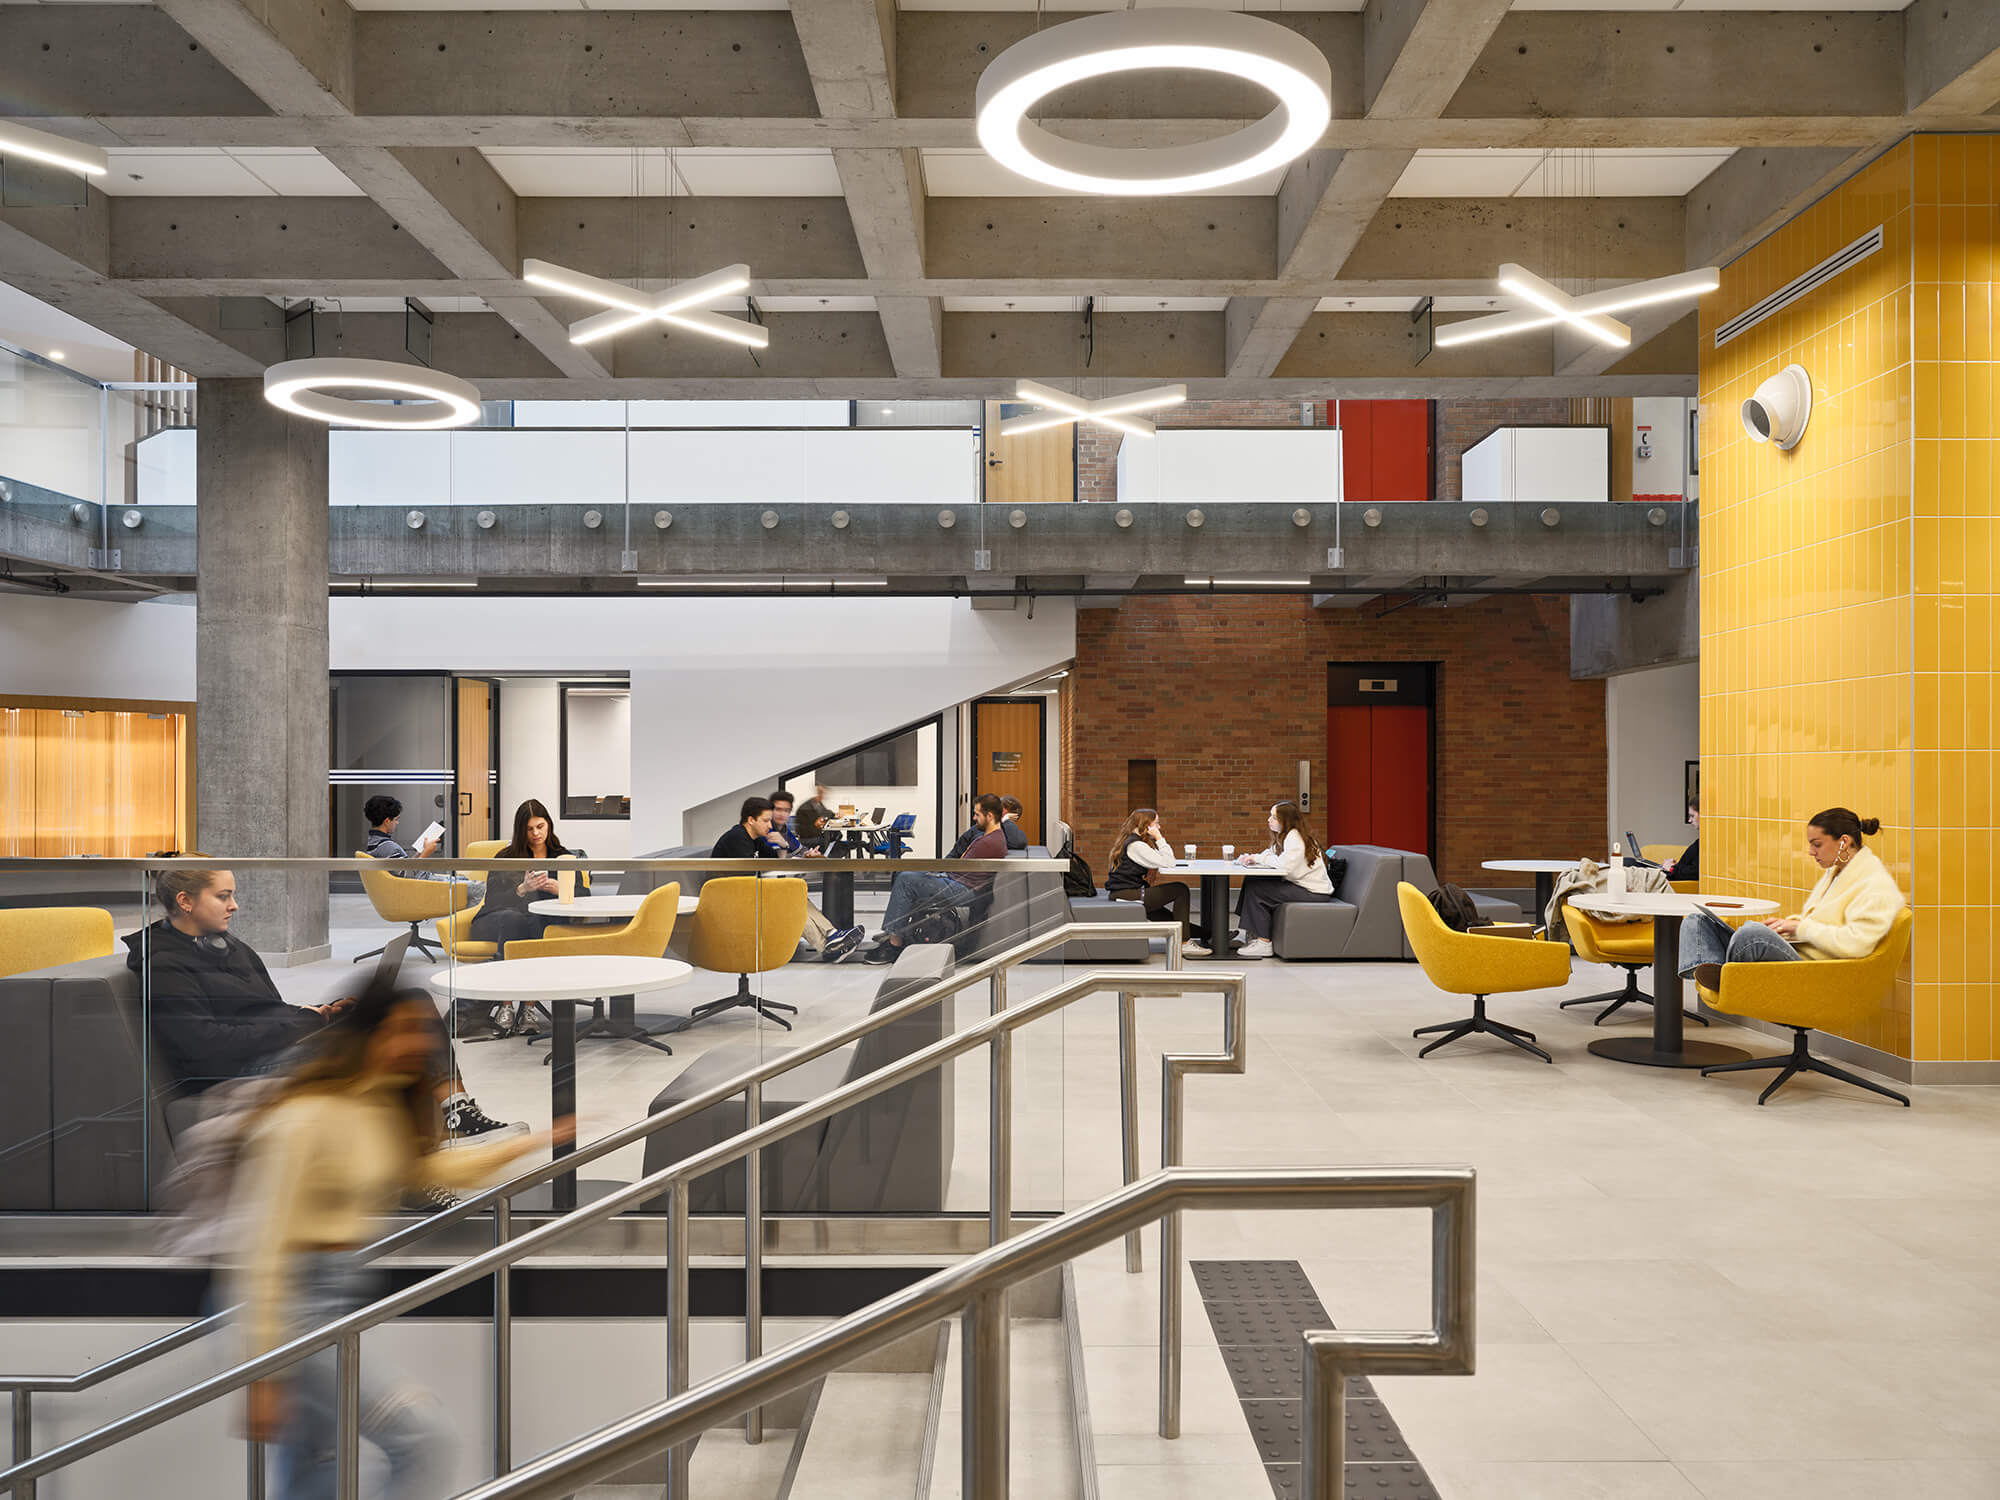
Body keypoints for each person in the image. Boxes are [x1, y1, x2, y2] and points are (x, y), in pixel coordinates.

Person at [233, 976, 571, 1499]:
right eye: (404, 1031)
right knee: (424, 1440)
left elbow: (433, 1170)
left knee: (317, 1470)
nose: (417, 1045)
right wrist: (263, 1372)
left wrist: (535, 1144)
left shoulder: (379, 1108)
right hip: (294, 1308)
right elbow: (263, 1244)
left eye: (421, 1033)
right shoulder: (307, 1115)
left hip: (335, 1297)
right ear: (370, 1034)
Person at [127, 868, 522, 1140]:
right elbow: (206, 1045)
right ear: (186, 901)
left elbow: (265, 1009)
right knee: (387, 1045)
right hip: (237, 1070)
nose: (234, 906)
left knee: (411, 1005)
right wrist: (301, 1025)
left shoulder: (228, 946)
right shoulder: (164, 964)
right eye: (223, 896)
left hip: (273, 1043)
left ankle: (455, 1109)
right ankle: (415, 1170)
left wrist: (318, 1013)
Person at [1678, 807, 1903, 978]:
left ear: (1844, 842)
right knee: (1698, 920)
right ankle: (1716, 975)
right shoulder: (1837, 872)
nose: (1810, 852)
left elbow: (1857, 944)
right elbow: (1820, 922)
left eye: (1817, 844)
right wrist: (1787, 925)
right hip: (1800, 950)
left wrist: (1799, 927)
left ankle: (1723, 978)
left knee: (1751, 934)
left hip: (1817, 968)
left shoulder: (1874, 885)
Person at [712, 798, 863, 960]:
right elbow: (748, 876)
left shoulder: (754, 838)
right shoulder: (737, 838)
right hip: (729, 897)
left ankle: (832, 935)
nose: (770, 826)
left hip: (746, 891)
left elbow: (774, 862)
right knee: (787, 898)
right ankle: (827, 945)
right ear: (751, 820)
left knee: (793, 892)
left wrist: (788, 848)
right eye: (765, 821)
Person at [864, 794, 1008, 963]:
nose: (974, 818)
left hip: (964, 889)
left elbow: (958, 868)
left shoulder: (987, 842)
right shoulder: (991, 838)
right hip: (962, 883)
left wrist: (932, 872)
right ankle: (895, 930)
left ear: (990, 816)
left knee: (906, 880)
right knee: (906, 875)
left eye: (977, 814)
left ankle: (894, 944)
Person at [1230, 802, 1335, 958]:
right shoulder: (1286, 836)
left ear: (1286, 820)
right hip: (1303, 887)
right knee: (1252, 880)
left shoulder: (1294, 837)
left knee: (1257, 889)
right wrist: (1255, 858)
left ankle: (1264, 943)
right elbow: (1271, 854)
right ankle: (1252, 933)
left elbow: (1285, 866)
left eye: (1274, 817)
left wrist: (1259, 858)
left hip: (1314, 892)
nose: (1269, 820)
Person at [468, 799, 577, 949]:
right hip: (499, 918)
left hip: (538, 919)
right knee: (516, 920)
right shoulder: (506, 857)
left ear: (549, 824)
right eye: (529, 829)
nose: (536, 833)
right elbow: (492, 901)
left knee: (544, 921)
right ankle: (508, 968)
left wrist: (561, 891)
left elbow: (584, 895)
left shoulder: (562, 856)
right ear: (520, 830)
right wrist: (521, 890)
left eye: (540, 826)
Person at [1105, 808, 1211, 957]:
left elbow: (1156, 860)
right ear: (1147, 826)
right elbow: (1169, 862)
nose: (1159, 827)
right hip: (1128, 894)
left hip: (1127, 891)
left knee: (1170, 920)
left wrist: (1153, 866)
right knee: (1180, 889)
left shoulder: (1135, 841)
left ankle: (1213, 936)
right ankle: (1184, 944)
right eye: (1157, 824)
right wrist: (1159, 838)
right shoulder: (1136, 845)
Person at [363, 795, 481, 900]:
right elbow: (409, 877)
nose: (397, 823)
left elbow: (404, 869)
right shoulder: (387, 847)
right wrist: (426, 853)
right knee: (478, 888)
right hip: (420, 887)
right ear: (387, 821)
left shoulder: (375, 842)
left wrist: (420, 853)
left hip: (420, 883)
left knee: (466, 882)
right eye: (396, 819)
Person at [948, 793, 1028, 855]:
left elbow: (1017, 843)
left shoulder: (1008, 834)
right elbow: (954, 854)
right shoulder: (977, 829)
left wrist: (1006, 821)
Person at [1664, 795, 1700, 881]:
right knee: (1630, 862)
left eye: (1692, 816)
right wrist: (1675, 866)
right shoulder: (1702, 842)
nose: (1689, 820)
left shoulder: (1713, 845)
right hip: (1671, 874)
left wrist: (1672, 868)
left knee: (1629, 864)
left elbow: (1696, 872)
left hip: (1673, 881)